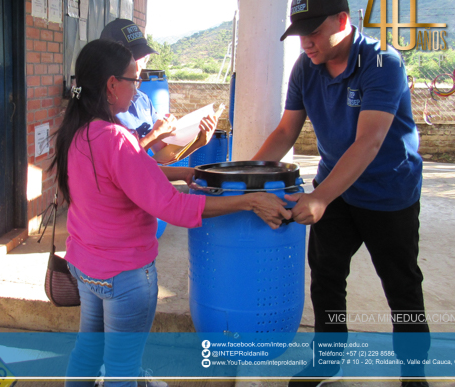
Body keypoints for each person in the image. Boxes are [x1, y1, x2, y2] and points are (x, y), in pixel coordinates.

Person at [52, 39, 291, 387]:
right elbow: (173, 207)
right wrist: (249, 201)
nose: (138, 88)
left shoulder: (77, 132)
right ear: (111, 85)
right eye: (134, 79)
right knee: (121, 370)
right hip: (124, 277)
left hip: (86, 269)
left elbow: (121, 176)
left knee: (87, 354)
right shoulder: (117, 138)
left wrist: (182, 172)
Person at [251, 0, 430, 387]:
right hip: (338, 188)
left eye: (313, 32)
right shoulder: (305, 68)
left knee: (401, 285)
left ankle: (414, 373)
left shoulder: (383, 63)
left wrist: (319, 197)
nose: (306, 43)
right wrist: (250, 180)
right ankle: (328, 361)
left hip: (390, 192)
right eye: (300, 34)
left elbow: (370, 141)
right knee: (327, 276)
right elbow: (285, 130)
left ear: (343, 21)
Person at [99, 19, 217, 160]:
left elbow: (163, 156)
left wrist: (198, 142)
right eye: (131, 59)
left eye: (142, 59)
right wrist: (154, 135)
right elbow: (118, 162)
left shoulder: (143, 101)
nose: (137, 67)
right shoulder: (101, 109)